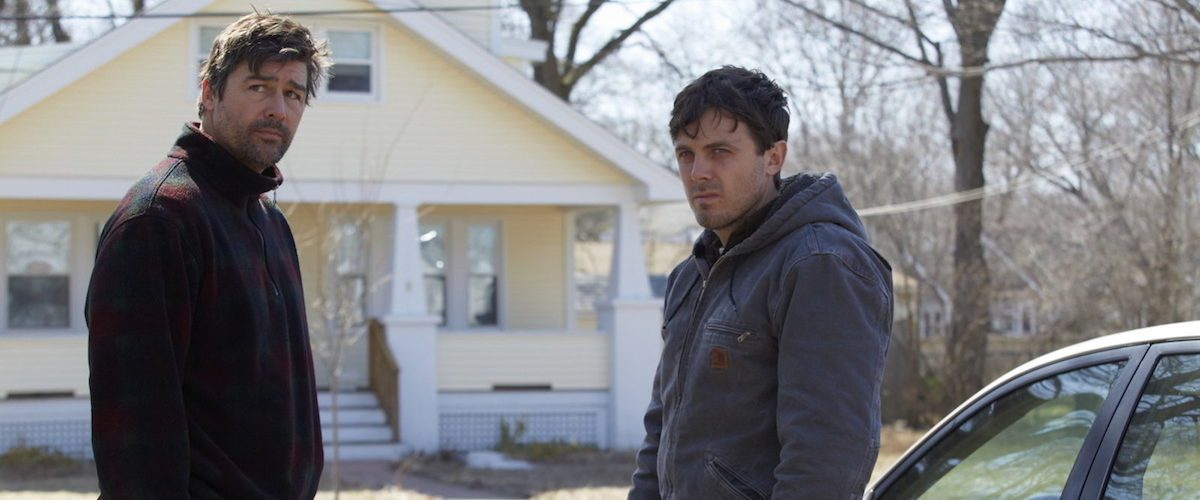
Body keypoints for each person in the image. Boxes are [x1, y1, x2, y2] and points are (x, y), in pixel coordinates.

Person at [86, 13, 330, 498]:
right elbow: (134, 436)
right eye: (258, 87)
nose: (278, 110)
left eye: (293, 94)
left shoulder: (270, 222)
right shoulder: (160, 219)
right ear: (209, 93)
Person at [629, 66, 893, 499]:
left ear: (773, 157)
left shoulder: (821, 264)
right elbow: (660, 437)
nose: (698, 172)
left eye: (720, 151)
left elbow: (826, 460)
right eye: (686, 154)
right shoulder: (690, 277)